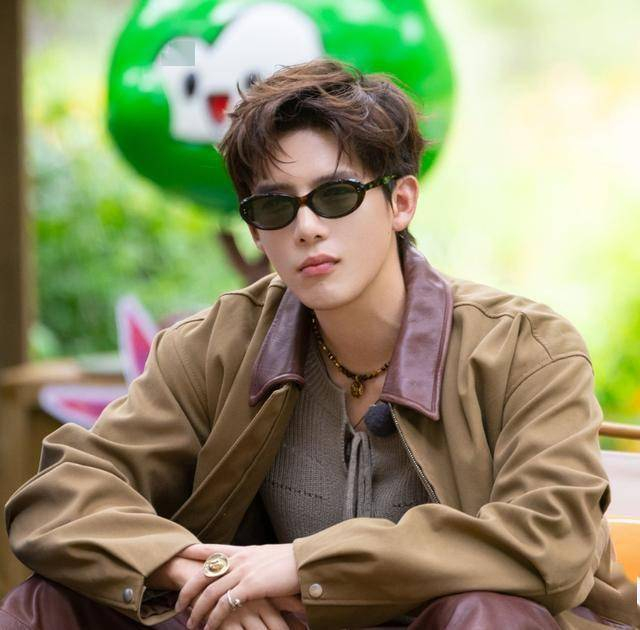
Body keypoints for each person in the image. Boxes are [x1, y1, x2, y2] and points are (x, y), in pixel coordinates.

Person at [2, 58, 639, 630]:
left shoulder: (526, 347)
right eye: (275, 207)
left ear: (400, 202)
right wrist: (191, 570)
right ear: (256, 233)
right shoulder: (215, 346)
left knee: (485, 615)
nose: (306, 227)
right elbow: (58, 496)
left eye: (335, 195)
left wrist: (303, 566)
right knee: (45, 604)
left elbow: (553, 539)